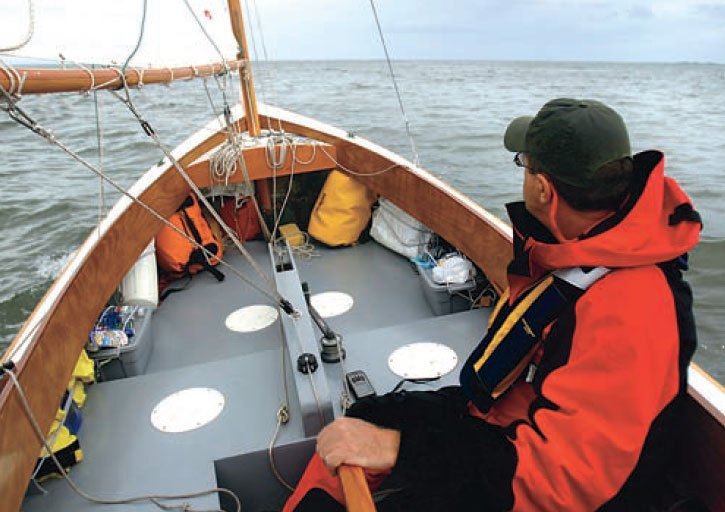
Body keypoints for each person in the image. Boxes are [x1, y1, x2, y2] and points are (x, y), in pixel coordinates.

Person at [283, 98, 702, 511]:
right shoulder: (580, 250)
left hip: (547, 480)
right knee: (368, 417)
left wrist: (401, 449)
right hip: (512, 417)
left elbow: (565, 483)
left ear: (543, 189)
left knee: (392, 458)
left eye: (524, 162)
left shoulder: (632, 307)